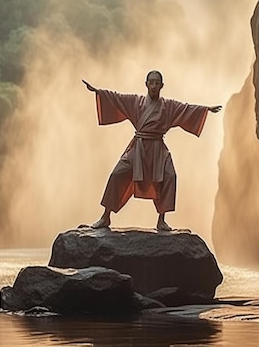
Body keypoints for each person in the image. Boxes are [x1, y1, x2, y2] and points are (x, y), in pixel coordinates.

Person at [83, 70, 221, 231]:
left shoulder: (168, 106)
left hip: (158, 149)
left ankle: (161, 219)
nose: (154, 86)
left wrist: (205, 110)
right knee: (117, 174)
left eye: (157, 83)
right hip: (139, 147)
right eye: (151, 82)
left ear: (162, 86)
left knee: (170, 176)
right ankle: (105, 216)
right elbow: (116, 98)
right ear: (146, 84)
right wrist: (99, 92)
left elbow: (186, 109)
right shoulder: (136, 102)